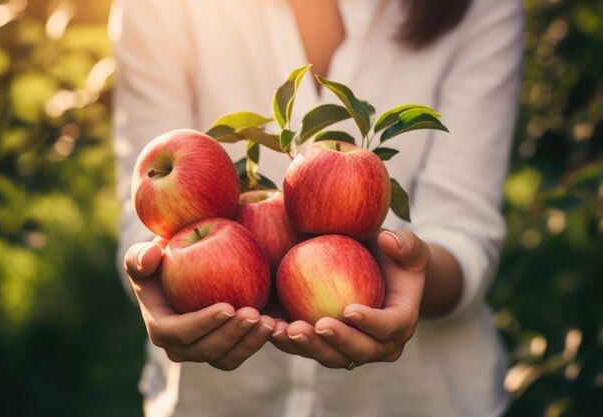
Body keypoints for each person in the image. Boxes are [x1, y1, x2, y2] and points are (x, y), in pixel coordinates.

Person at [109, 0, 523, 415]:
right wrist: (162, 276)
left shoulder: (480, 7)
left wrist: (402, 275)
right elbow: (145, 211)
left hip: (420, 400)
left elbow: (465, 232)